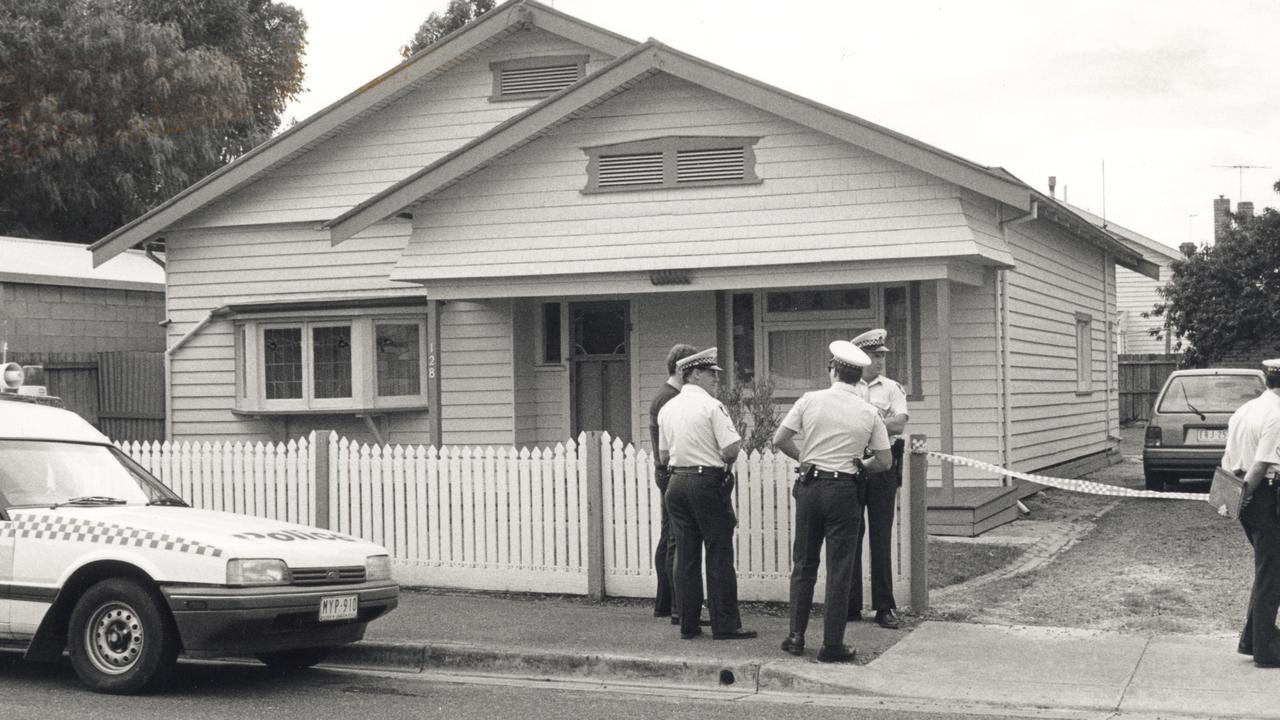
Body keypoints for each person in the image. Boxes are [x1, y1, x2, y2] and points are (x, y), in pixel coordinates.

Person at [773, 340, 892, 662]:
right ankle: (832, 644)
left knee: (804, 564)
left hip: (810, 487)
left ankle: (796, 636)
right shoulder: (869, 411)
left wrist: (804, 460)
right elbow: (884, 461)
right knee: (839, 569)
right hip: (844, 489)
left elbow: (780, 439)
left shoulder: (810, 400)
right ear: (859, 376)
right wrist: (861, 465)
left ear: (833, 371)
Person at [657, 347, 756, 640]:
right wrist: (724, 461)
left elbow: (663, 455)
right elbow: (731, 448)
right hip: (706, 482)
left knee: (685, 554)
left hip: (676, 482)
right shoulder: (712, 406)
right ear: (695, 373)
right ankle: (724, 623)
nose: (715, 378)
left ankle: (688, 623)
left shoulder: (668, 408)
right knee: (719, 552)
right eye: (711, 373)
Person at [849, 328, 909, 629]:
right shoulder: (847, 385)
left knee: (881, 535)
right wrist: (877, 424)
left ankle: (884, 606)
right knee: (850, 533)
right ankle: (850, 604)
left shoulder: (892, 388)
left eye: (882, 356)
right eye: (874, 356)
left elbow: (899, 422)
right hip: (855, 464)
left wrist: (869, 423)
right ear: (861, 358)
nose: (880, 361)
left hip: (883, 465)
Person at [1222, 358, 1280, 667]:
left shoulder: (1245, 410)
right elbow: (1260, 465)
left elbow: (1228, 460)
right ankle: (1266, 651)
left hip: (1245, 496)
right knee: (1272, 574)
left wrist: (1231, 500)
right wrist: (1246, 497)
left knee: (1267, 571)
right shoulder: (1276, 414)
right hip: (1264, 496)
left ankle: (1253, 639)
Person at [649, 343, 698, 623]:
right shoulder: (669, 398)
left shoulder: (664, 396)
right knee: (675, 539)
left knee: (670, 535)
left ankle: (665, 602)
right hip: (670, 471)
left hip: (665, 471)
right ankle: (677, 604)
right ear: (681, 368)